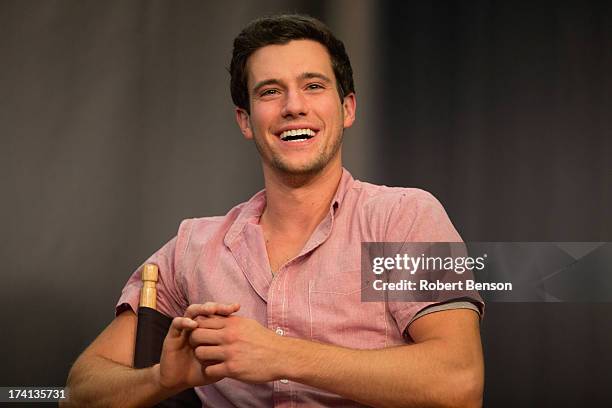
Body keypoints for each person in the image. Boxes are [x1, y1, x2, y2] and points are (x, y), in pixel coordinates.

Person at [63, 14, 484, 408]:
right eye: (270, 91)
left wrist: (280, 355)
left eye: (314, 86)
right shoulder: (193, 248)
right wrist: (162, 379)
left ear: (348, 108)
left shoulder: (403, 218)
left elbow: (459, 383)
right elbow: (78, 392)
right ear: (245, 121)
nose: (293, 106)